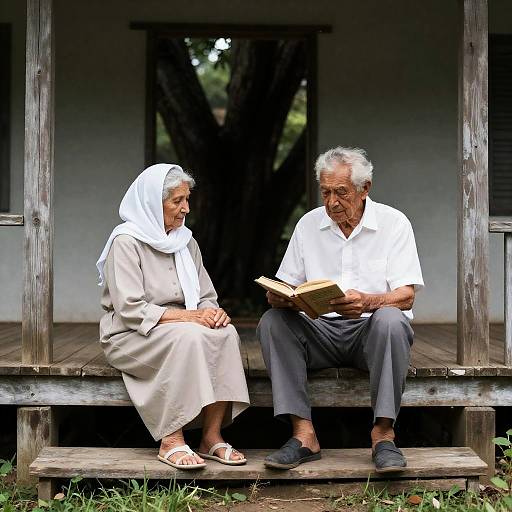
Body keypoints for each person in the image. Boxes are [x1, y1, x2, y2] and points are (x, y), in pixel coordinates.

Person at [257, 147, 424, 472]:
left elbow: (406, 295)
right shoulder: (308, 225)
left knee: (391, 319)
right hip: (319, 333)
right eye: (326, 192)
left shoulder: (394, 223)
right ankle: (304, 435)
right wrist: (282, 297)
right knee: (273, 321)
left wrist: (368, 301)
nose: (332, 202)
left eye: (341, 193)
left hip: (369, 335)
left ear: (365, 189)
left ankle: (383, 435)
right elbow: (286, 283)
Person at [97, 164, 250, 470]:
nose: (186, 209)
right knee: (189, 336)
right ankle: (171, 439)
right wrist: (190, 318)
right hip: (129, 335)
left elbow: (206, 296)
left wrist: (213, 313)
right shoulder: (126, 242)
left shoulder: (185, 242)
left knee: (226, 334)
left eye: (187, 199)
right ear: (154, 203)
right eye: (177, 201)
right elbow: (130, 309)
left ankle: (211, 436)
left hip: (180, 328)